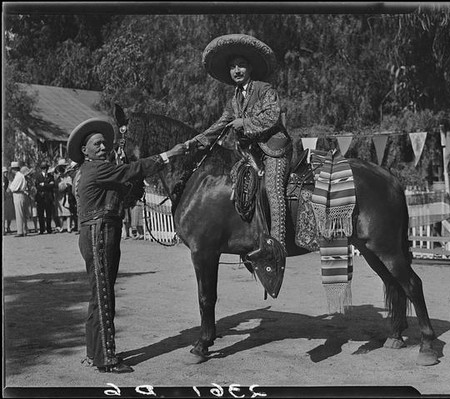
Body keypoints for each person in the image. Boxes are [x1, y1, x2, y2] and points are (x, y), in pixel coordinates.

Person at [67, 116, 185, 373]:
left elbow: (121, 191)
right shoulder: (98, 169)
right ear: (84, 151)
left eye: (103, 144)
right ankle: (107, 359)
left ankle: (93, 352)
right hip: (100, 232)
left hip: (97, 230)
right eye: (96, 144)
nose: (102, 148)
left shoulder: (87, 171)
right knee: (104, 295)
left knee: (98, 294)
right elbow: (133, 170)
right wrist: (168, 155)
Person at [184, 34, 292, 251]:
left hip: (274, 149)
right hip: (250, 154)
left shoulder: (265, 89)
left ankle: (277, 244)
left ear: (250, 68)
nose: (237, 70)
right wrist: (195, 142)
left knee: (272, 188)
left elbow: (272, 117)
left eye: (241, 65)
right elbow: (220, 125)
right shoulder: (234, 99)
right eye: (233, 67)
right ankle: (250, 238)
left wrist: (244, 122)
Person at [8, 162, 30, 237]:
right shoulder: (20, 176)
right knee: (22, 213)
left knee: (19, 213)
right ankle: (24, 230)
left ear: (14, 169)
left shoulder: (18, 176)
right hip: (20, 194)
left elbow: (13, 187)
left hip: (18, 194)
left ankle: (20, 231)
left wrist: (10, 187)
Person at [34, 161, 56, 234]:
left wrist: (44, 184)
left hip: (48, 197)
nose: (45, 169)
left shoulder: (51, 176)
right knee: (40, 214)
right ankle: (42, 229)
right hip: (40, 197)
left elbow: (52, 186)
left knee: (48, 214)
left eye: (46, 168)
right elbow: (38, 187)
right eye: (43, 168)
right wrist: (47, 185)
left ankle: (49, 229)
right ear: (41, 169)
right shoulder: (38, 176)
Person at [3, 166, 15, 234]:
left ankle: (8, 227)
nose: (5, 173)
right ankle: (4, 228)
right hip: (4, 199)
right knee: (4, 214)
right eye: (4, 172)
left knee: (9, 214)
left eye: (6, 172)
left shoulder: (9, 180)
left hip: (9, 198)